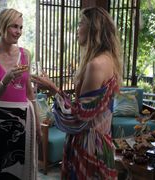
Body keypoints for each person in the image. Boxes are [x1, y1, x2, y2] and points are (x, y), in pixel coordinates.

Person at [32, 7, 122, 180]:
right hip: (103, 142)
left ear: (93, 29)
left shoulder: (95, 65)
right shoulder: (110, 60)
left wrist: (54, 90)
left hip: (88, 146)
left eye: (81, 24)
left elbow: (79, 117)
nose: (77, 29)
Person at [0, 8, 41, 180]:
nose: (19, 32)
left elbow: (29, 92)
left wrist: (37, 120)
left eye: (21, 27)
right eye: (14, 27)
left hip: (24, 119)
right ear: (2, 26)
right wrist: (6, 79)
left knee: (20, 170)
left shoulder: (25, 54)